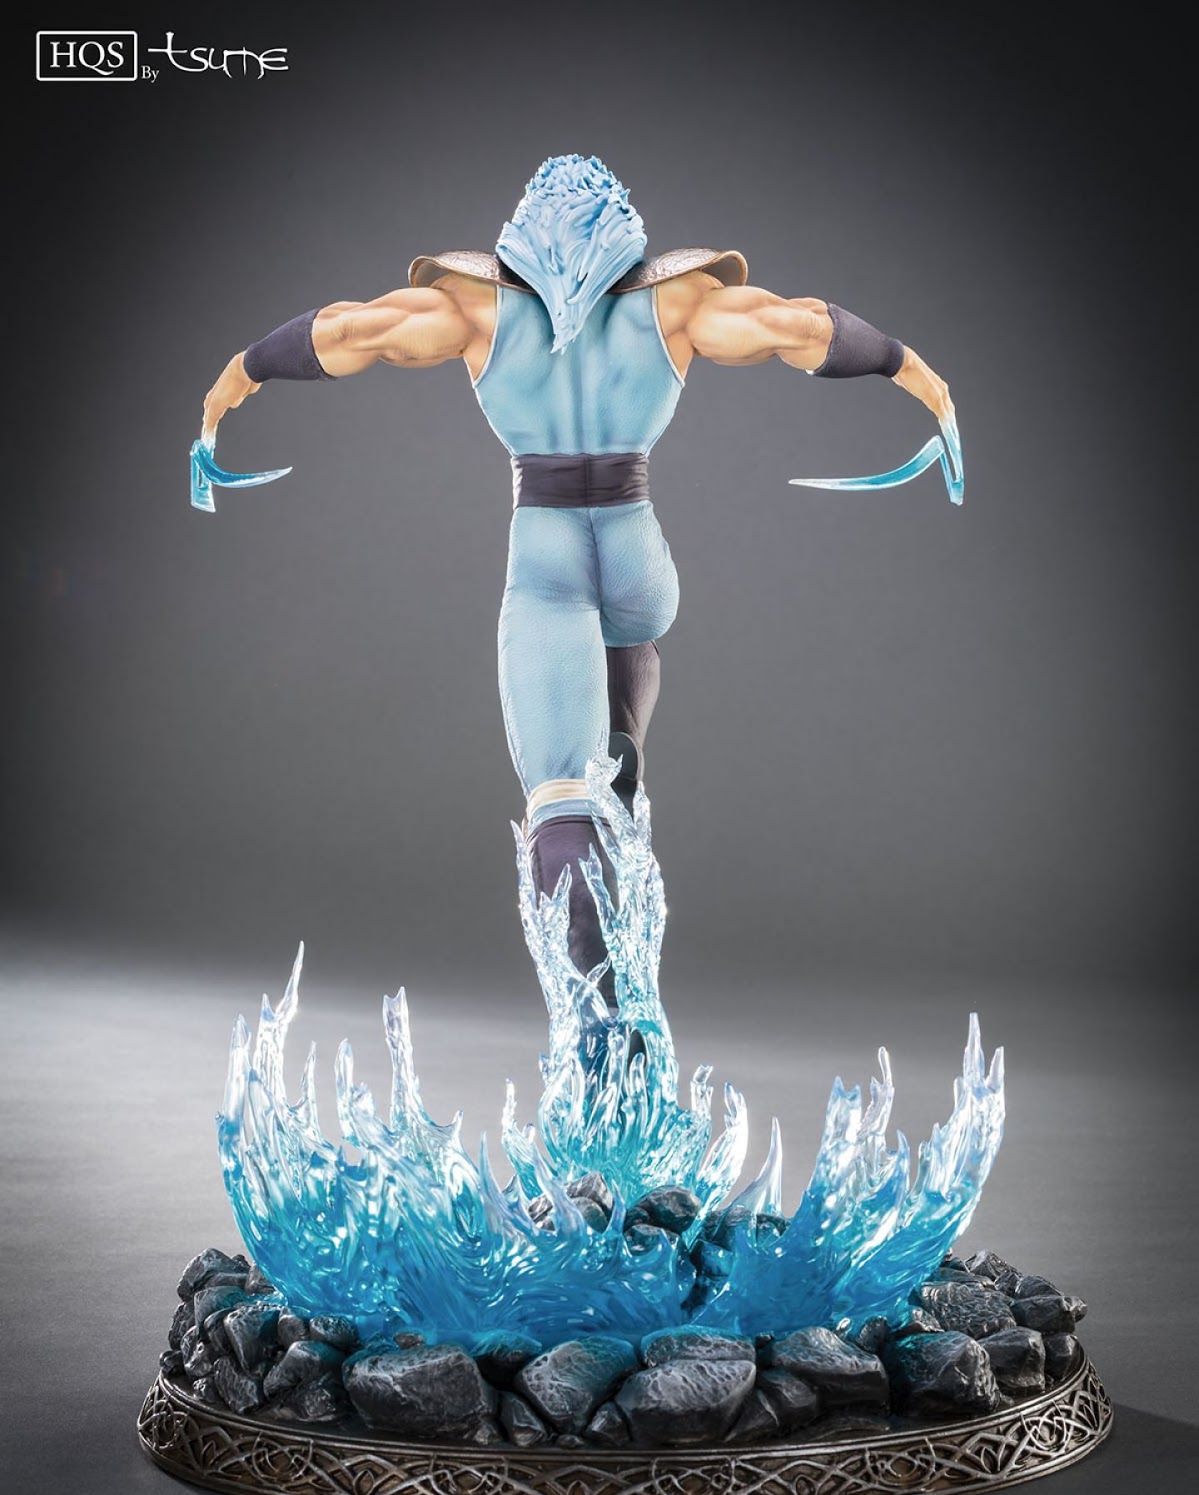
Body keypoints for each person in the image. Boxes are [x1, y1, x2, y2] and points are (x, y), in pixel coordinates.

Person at [201, 155, 957, 1000]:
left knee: (557, 798)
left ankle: (602, 1017)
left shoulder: (472, 310)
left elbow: (348, 333)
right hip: (639, 557)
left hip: (549, 553)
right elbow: (800, 327)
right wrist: (915, 374)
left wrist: (238, 377)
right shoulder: (678, 304)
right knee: (628, 649)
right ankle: (621, 745)